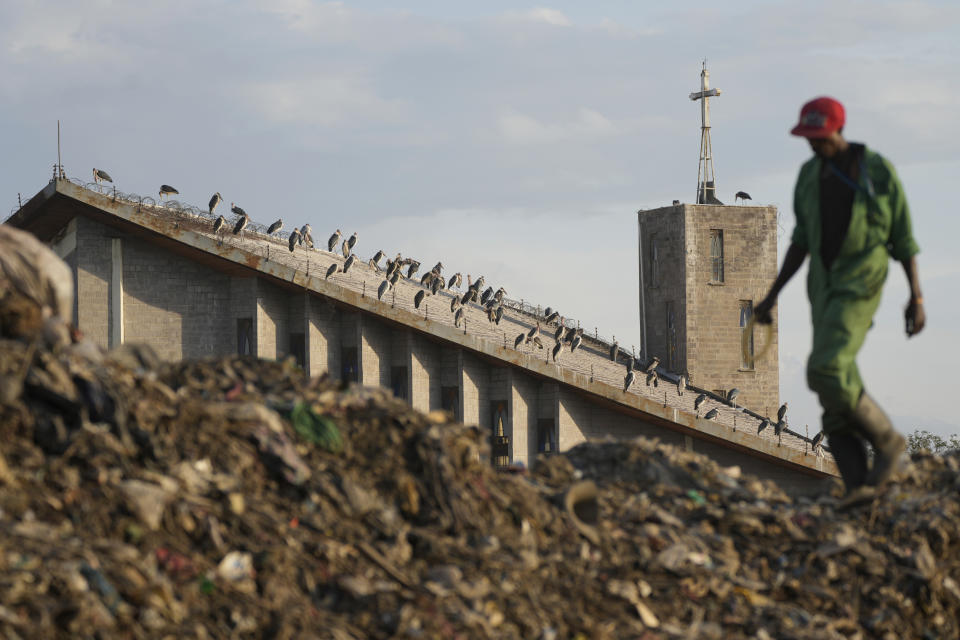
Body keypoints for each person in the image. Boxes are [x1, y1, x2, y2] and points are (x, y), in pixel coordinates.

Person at [754, 96, 925, 493]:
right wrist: (771, 295)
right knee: (834, 398)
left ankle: (888, 443)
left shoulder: (877, 172)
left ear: (838, 131)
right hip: (823, 289)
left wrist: (916, 297)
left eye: (820, 137)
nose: (814, 145)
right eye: (809, 139)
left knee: (825, 369)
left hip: (860, 284)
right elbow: (800, 243)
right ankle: (860, 488)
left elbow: (904, 238)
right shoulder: (808, 177)